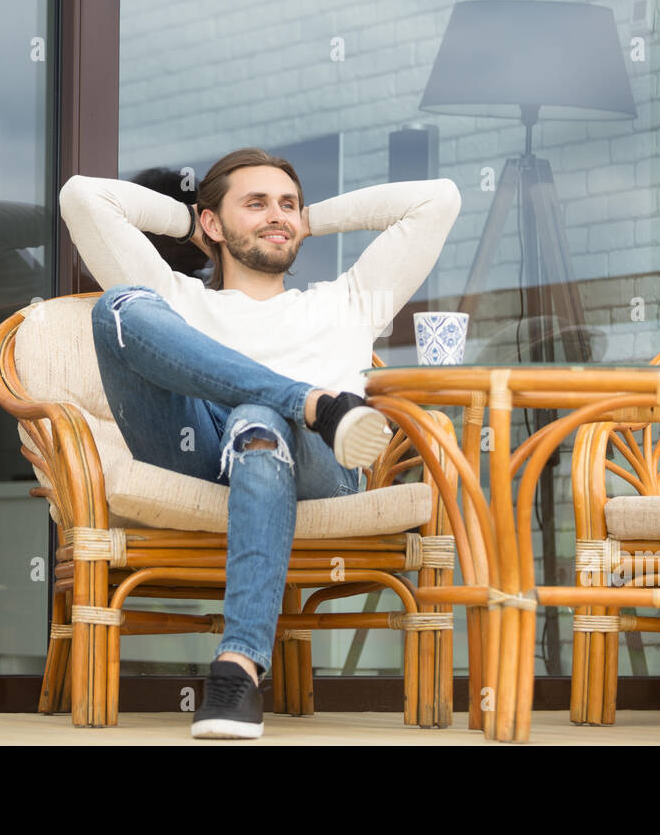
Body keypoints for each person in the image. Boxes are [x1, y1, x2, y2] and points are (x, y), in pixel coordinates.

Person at [59, 147, 461, 738]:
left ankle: (237, 669)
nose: (278, 215)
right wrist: (191, 222)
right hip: (196, 454)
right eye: (256, 204)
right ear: (214, 224)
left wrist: (306, 218)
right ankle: (309, 401)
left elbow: (438, 199)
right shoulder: (181, 299)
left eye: (288, 205)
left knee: (257, 418)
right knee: (120, 304)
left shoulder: (350, 300)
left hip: (321, 469)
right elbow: (81, 196)